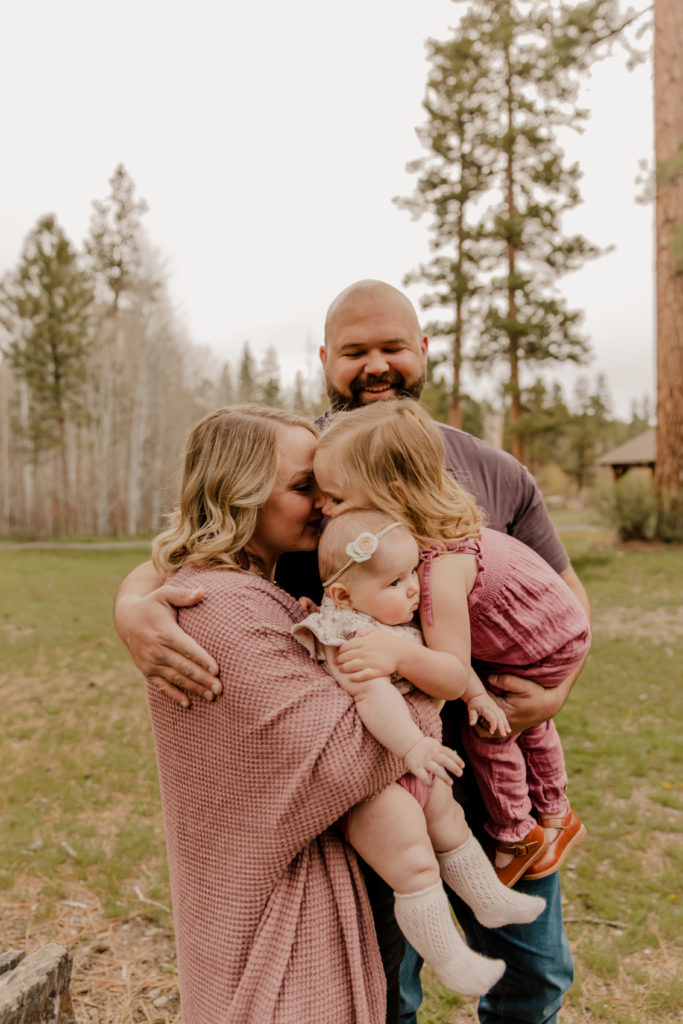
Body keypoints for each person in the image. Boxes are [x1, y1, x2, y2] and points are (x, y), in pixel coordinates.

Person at [114, 279, 590, 1024]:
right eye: (354, 352)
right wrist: (130, 607)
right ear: (325, 360)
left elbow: (565, 595)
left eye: (391, 348)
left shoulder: (492, 471)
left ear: (423, 351)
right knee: (382, 984)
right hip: (367, 777)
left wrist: (554, 690)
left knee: (535, 977)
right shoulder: (301, 463)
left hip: (495, 770)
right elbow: (193, 544)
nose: (374, 366)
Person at [142, 403, 447, 1024]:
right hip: (272, 926)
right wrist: (429, 688)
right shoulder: (223, 607)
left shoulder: (249, 591)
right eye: (304, 487)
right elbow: (338, 761)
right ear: (241, 496)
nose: (326, 505)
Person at [312, 401, 590, 891]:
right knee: (516, 712)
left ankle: (516, 833)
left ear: (387, 494)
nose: (323, 508)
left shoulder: (438, 569)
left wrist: (397, 654)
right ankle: (556, 811)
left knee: (488, 720)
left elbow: (450, 674)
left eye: (335, 497)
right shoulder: (441, 534)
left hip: (540, 646)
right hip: (554, 633)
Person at [292, 508, 546, 997]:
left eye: (412, 574)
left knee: (449, 822)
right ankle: (452, 962)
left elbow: (443, 661)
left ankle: (489, 899)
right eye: (394, 581)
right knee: (414, 861)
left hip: (412, 762)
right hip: (373, 784)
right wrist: (413, 745)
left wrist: (475, 695)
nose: (413, 588)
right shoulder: (347, 633)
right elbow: (373, 695)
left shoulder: (394, 623)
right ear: (344, 594)